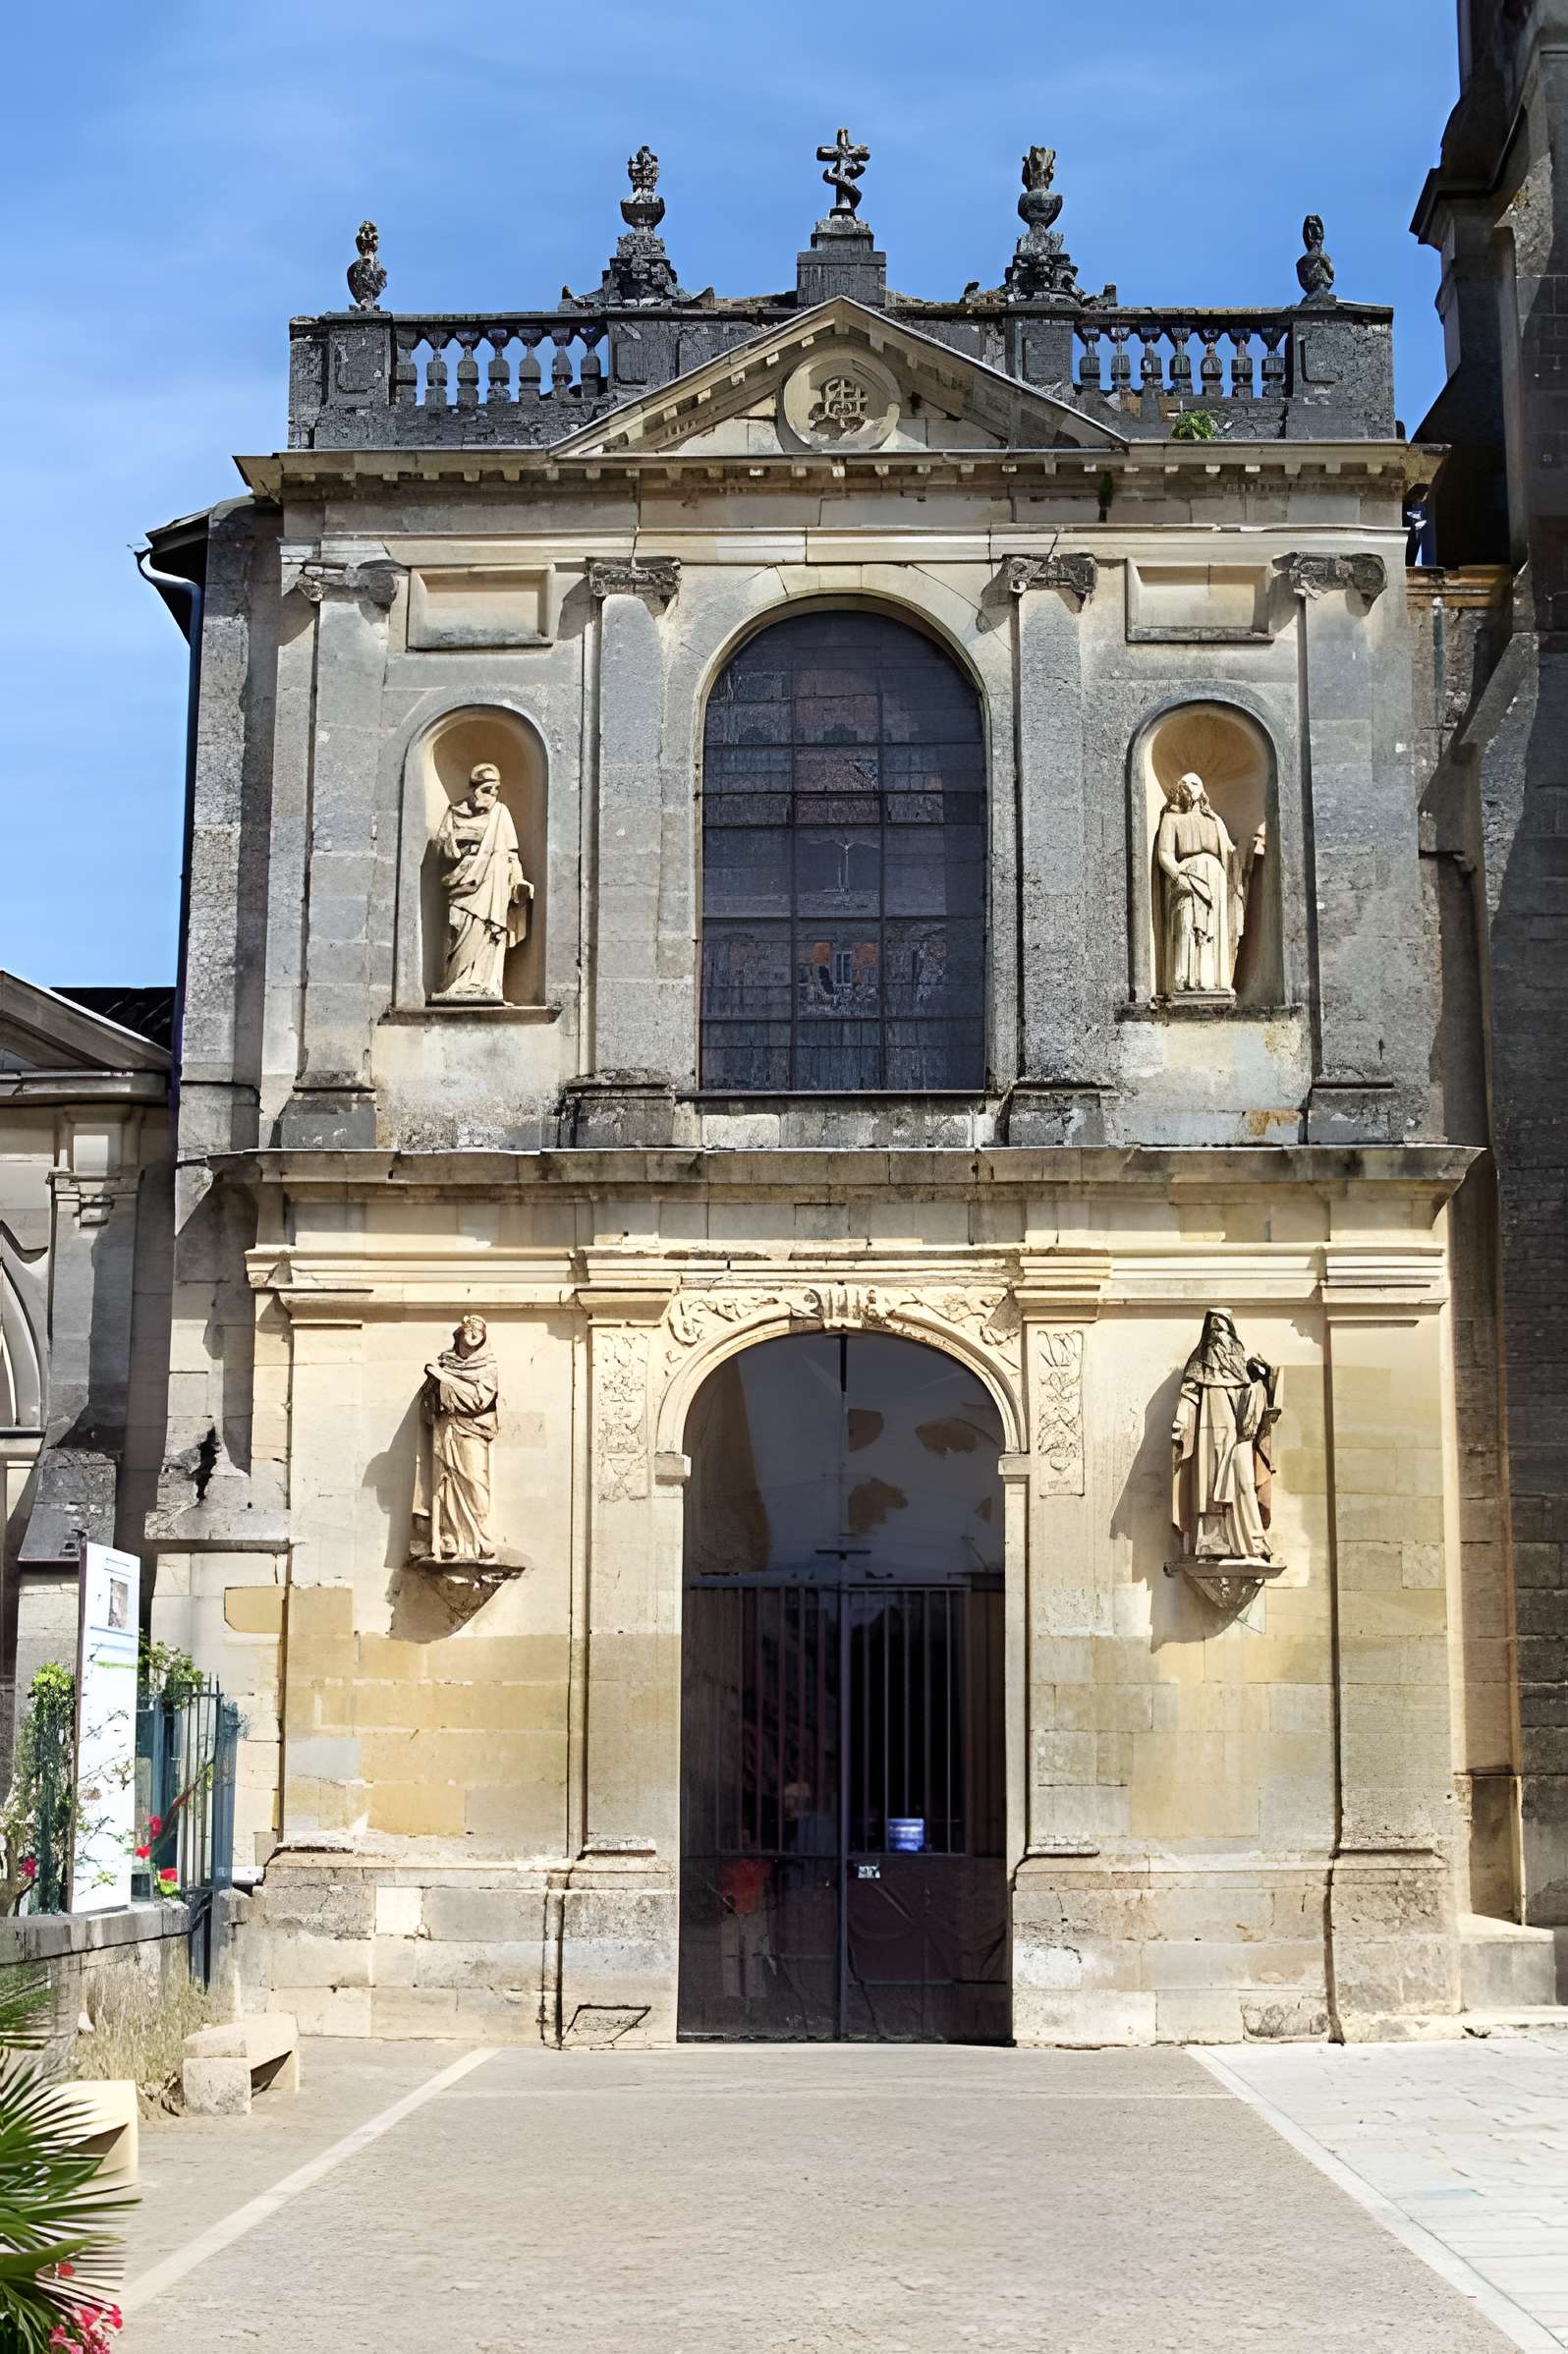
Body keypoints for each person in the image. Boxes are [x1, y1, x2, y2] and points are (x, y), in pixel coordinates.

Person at [1170, 1309, 1281, 1564]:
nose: (1217, 1336)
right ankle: (1210, 1541)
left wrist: (1262, 1383)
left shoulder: (1240, 1369)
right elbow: (1188, 1398)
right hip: (1206, 1439)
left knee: (1241, 1484)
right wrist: (1181, 1419)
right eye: (1213, 1330)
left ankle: (1248, 1540)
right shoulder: (1198, 1367)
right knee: (1207, 1489)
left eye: (1222, 1329)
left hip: (1235, 1439)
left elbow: (1251, 1405)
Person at [432, 763, 532, 1000]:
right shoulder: (454, 812)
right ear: (475, 789)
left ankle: (485, 984)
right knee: (461, 929)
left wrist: (518, 880)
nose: (492, 795)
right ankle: (456, 983)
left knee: (489, 932)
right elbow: (441, 849)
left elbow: (511, 854)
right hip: (463, 882)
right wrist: (456, 846)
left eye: (496, 790)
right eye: (487, 789)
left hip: (493, 884)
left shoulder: (501, 813)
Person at [412, 1315, 500, 1560]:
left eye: (477, 1334)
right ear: (458, 1336)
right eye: (467, 1333)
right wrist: (434, 1392)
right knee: (446, 1482)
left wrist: (445, 1379)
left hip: (473, 1431)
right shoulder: (446, 1364)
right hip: (446, 1429)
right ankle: (449, 1538)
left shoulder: (487, 1367)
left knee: (475, 1483)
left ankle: (482, 1539)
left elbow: (477, 1400)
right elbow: (428, 1403)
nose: (471, 1337)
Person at [1154, 773, 1247, 996]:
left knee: (1212, 932)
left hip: (1215, 877)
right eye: (1183, 784)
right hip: (1187, 875)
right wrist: (1178, 877)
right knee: (1187, 924)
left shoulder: (1215, 821)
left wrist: (1249, 855)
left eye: (1194, 783)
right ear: (1177, 791)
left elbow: (1229, 852)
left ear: (1202, 790)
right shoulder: (1171, 819)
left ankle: (1212, 981)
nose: (1188, 787)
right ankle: (1185, 981)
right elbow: (1165, 854)